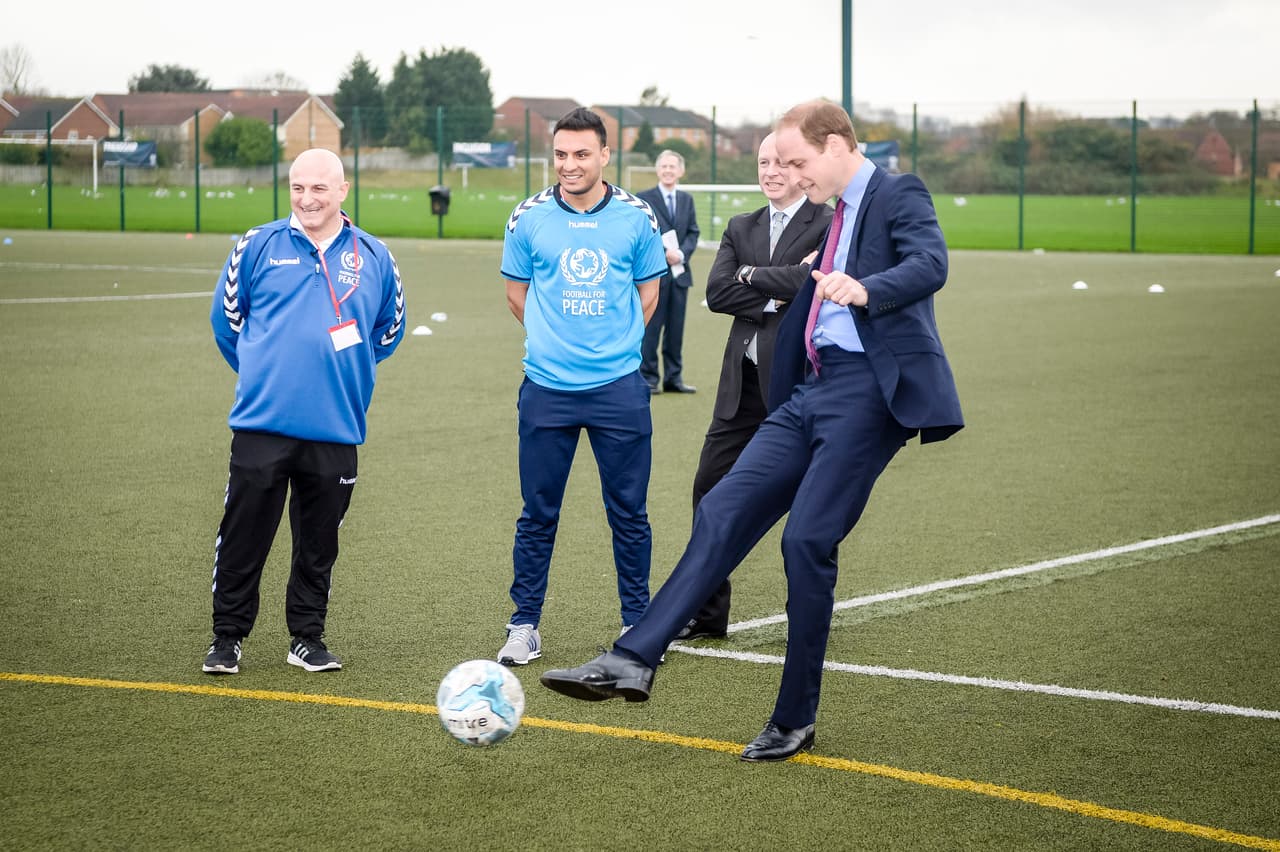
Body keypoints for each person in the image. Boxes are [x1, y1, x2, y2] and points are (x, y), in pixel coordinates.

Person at [541, 99, 964, 762]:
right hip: (808, 391)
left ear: (834, 146)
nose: (790, 175)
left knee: (805, 542)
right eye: (782, 163)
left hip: (866, 394)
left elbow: (931, 263)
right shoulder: (831, 212)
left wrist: (865, 288)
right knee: (722, 508)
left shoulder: (896, 193)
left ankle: (795, 719)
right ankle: (631, 660)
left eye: (797, 162)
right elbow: (772, 288)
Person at [203, 147, 406, 675]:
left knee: (319, 545)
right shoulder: (258, 245)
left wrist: (343, 374)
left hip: (336, 427)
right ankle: (227, 638)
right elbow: (227, 323)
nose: (308, 198)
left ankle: (307, 638)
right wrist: (264, 371)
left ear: (342, 191)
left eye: (319, 188)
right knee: (244, 536)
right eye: (298, 187)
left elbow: (389, 329)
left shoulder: (375, 255)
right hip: (261, 425)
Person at [497, 107, 668, 666]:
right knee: (537, 512)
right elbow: (517, 294)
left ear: (604, 156)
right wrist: (557, 341)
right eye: (561, 155)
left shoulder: (636, 217)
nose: (569, 165)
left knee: (629, 511)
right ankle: (524, 625)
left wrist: (611, 348)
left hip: (618, 389)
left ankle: (638, 624)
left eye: (581, 154)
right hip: (546, 388)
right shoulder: (527, 217)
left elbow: (649, 293)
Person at [678, 133, 833, 641]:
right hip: (739, 386)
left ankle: (806, 615)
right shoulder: (740, 225)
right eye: (763, 162)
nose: (771, 171)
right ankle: (706, 614)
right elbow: (717, 292)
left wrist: (754, 277)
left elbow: (811, 285)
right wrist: (775, 285)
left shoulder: (828, 222)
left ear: (801, 167)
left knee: (809, 504)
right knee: (708, 490)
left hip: (793, 386)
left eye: (782, 163)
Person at [637, 150, 700, 394]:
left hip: (680, 275)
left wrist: (681, 253)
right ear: (657, 170)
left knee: (676, 330)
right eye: (663, 166)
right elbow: (642, 232)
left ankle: (674, 378)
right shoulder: (644, 199)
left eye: (672, 166)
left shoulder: (687, 200)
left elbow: (693, 232)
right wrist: (663, 252)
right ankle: (649, 378)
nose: (668, 170)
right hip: (654, 275)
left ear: (680, 171)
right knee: (651, 328)